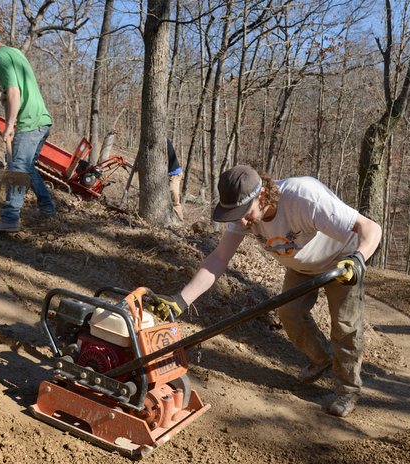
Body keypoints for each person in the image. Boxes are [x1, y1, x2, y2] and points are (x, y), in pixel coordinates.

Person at [153, 165, 382, 417]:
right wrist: (180, 300)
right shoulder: (245, 216)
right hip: (301, 265)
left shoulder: (304, 197)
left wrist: (358, 260)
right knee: (290, 314)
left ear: (262, 194)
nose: (241, 221)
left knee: (345, 326)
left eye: (244, 212)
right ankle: (322, 358)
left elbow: (371, 228)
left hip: (342, 261)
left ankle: (347, 390)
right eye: (235, 214)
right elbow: (218, 258)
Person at [0, 19, 56, 233]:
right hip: (42, 120)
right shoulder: (14, 52)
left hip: (30, 122)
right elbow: (13, 93)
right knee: (26, 168)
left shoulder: (0, 56)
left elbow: (15, 92)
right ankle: (48, 209)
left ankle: (10, 218)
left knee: (16, 168)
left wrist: (9, 125)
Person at [167, 139, 185, 221]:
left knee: (175, 200)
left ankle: (180, 220)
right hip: (170, 174)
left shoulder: (164, 141)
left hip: (174, 174)